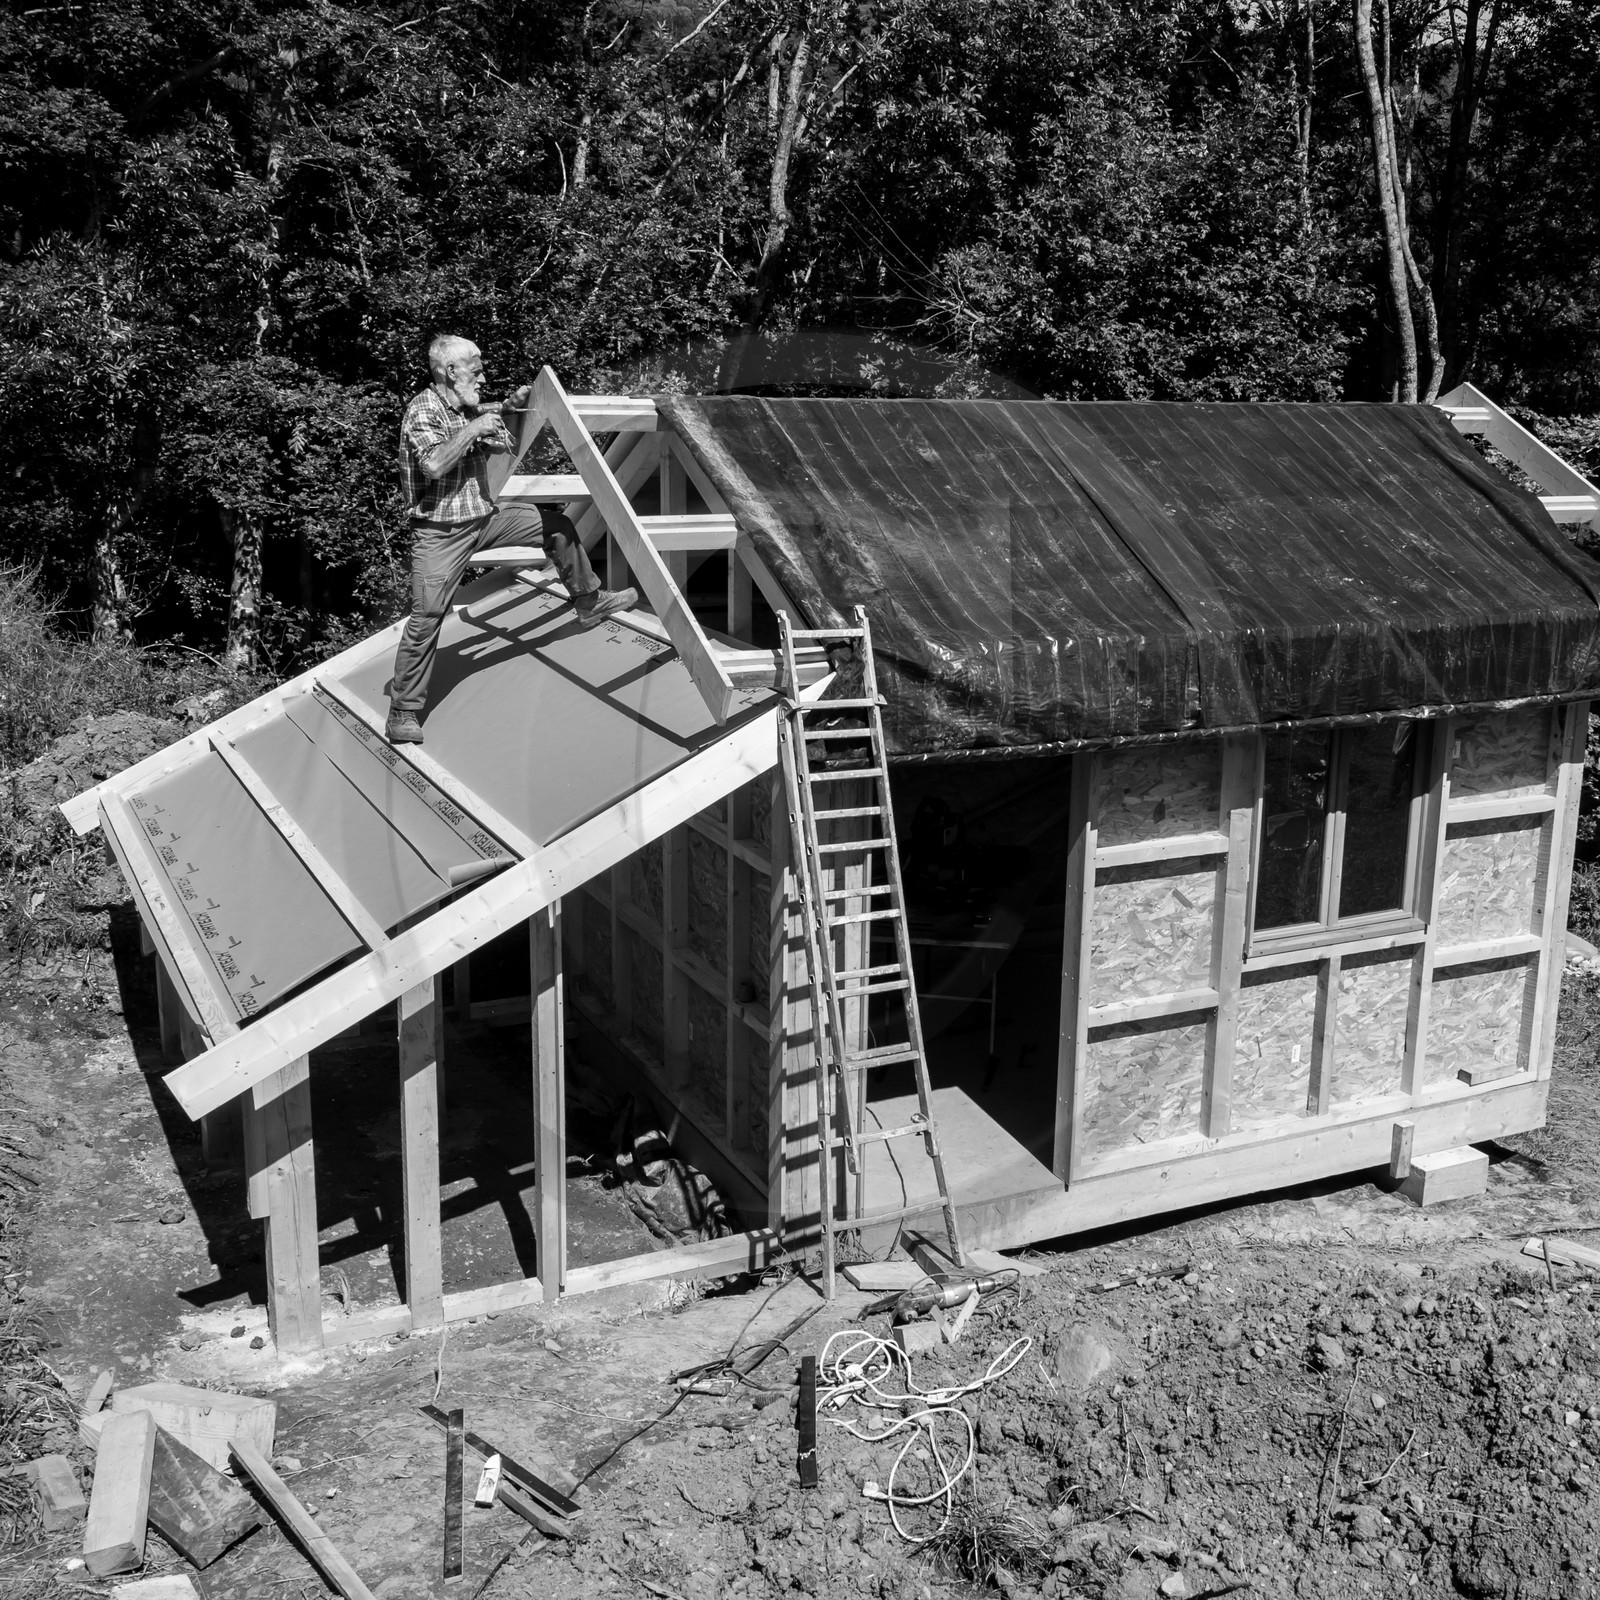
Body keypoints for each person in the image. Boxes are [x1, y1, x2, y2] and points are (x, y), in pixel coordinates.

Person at [386, 334, 637, 743]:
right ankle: (402, 712)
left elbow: (489, 419)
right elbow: (433, 463)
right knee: (427, 616)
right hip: (440, 533)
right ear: (450, 371)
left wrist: (507, 407)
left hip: (483, 518)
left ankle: (589, 602)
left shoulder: (462, 407)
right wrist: (476, 429)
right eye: (476, 370)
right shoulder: (423, 409)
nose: (482, 377)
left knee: (557, 527)